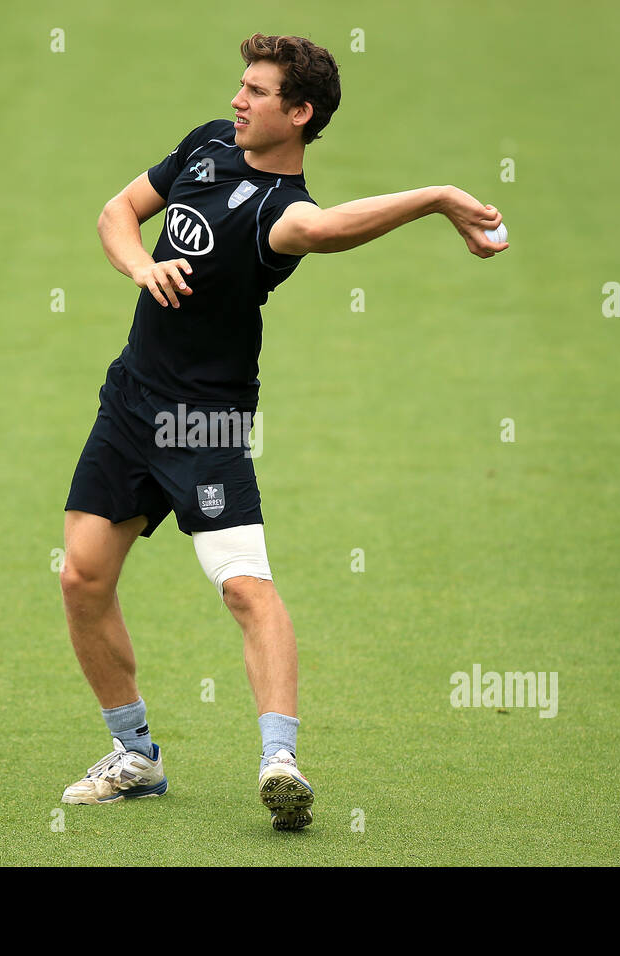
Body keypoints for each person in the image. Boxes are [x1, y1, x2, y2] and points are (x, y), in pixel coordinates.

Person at [59, 32, 507, 831]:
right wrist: (139, 266)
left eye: (257, 93)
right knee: (82, 579)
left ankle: (280, 758)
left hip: (204, 421)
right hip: (130, 401)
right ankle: (136, 756)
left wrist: (438, 196)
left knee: (244, 587)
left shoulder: (283, 214)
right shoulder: (205, 145)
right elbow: (118, 210)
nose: (238, 100)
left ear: (299, 114)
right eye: (241, 85)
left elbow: (333, 227)